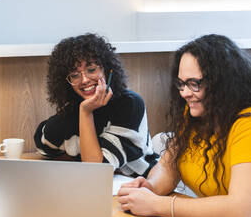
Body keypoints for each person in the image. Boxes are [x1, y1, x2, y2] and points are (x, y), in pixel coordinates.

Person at [118, 34, 251, 217]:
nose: (185, 93)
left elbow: (240, 212)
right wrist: (151, 187)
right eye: (181, 84)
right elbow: (169, 166)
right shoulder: (196, 112)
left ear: (223, 83)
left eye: (194, 83)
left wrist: (157, 205)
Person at [34, 33, 159, 177]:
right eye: (75, 75)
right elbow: (43, 144)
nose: (85, 80)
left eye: (91, 69)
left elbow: (97, 170)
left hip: (143, 186)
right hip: (95, 188)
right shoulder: (76, 108)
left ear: (107, 69)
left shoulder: (129, 104)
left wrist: (86, 113)